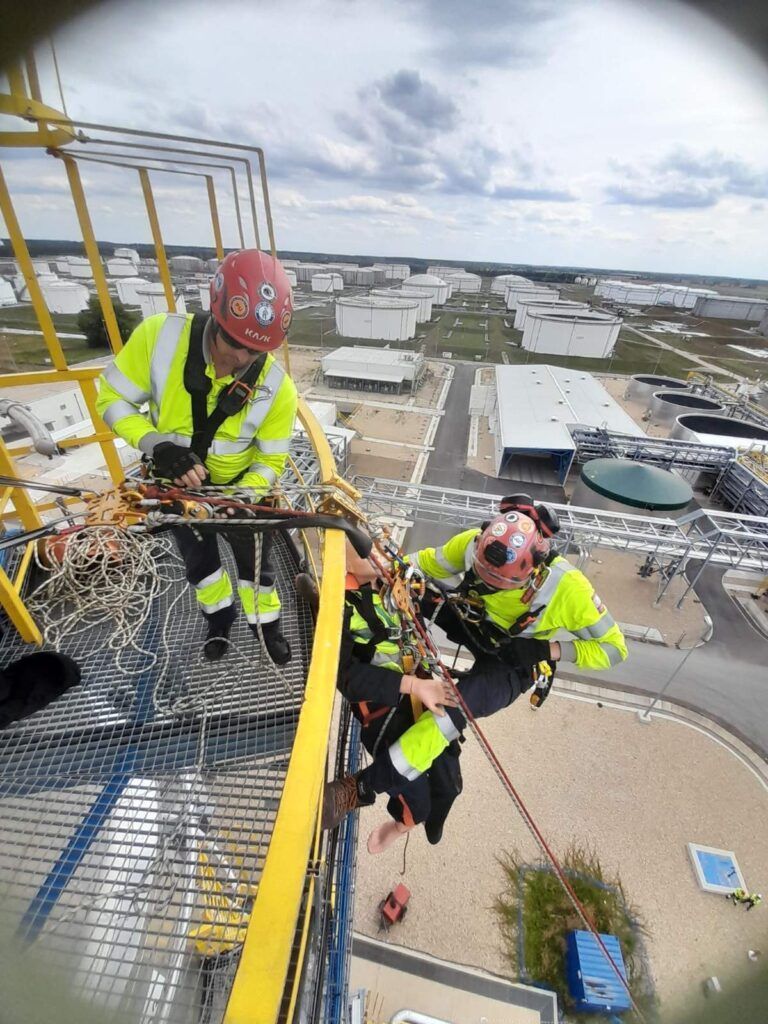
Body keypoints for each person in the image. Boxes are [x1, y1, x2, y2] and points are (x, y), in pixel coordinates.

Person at [323, 495, 627, 847]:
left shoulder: (567, 589)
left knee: (448, 714)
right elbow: (418, 566)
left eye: (501, 583)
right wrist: (375, 575)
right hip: (476, 625)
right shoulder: (470, 545)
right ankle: (414, 813)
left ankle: (360, 788)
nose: (491, 584)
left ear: (533, 570)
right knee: (415, 588)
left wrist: (548, 649)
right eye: (484, 575)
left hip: (516, 660)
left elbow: (614, 650)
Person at [96, 249, 298, 662]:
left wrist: (244, 496)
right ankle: (219, 620)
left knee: (257, 572)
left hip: (240, 496)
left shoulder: (278, 388)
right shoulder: (159, 338)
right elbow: (112, 399)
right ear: (216, 316)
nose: (240, 358)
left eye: (254, 352)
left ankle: (266, 628)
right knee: (201, 566)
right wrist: (157, 446)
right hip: (176, 486)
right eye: (234, 343)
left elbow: (270, 461)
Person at [319, 540, 462, 853]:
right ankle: (399, 824)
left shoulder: (395, 584)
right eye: (362, 552)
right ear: (345, 564)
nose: (373, 554)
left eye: (371, 546)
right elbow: (347, 679)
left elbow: (427, 617)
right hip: (386, 710)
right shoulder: (341, 606)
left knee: (451, 783)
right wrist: (413, 686)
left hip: (423, 691)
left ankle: (429, 816)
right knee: (416, 796)